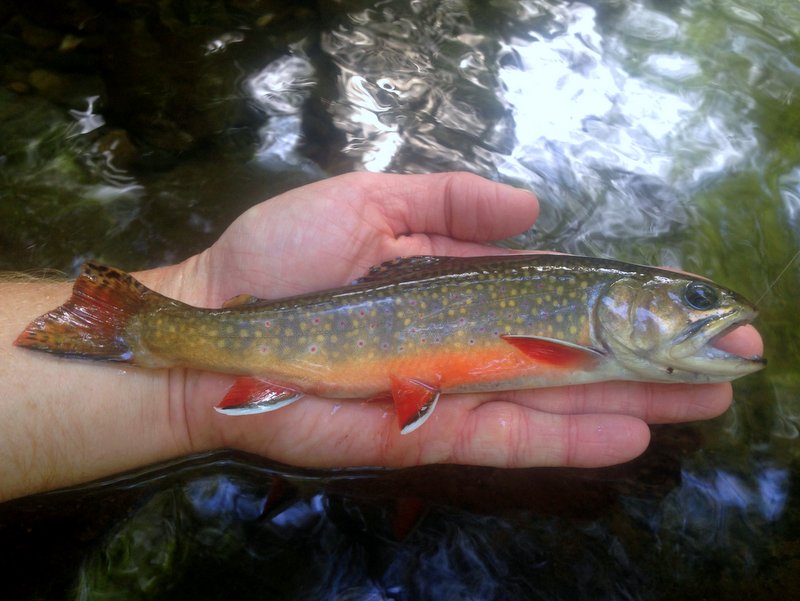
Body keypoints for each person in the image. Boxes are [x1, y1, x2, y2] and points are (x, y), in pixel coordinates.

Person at [0, 172, 762, 502]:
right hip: (329, 338)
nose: (712, 313)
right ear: (621, 302)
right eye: (695, 300)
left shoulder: (588, 328)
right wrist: (196, 296)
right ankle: (140, 325)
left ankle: (140, 326)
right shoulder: (583, 342)